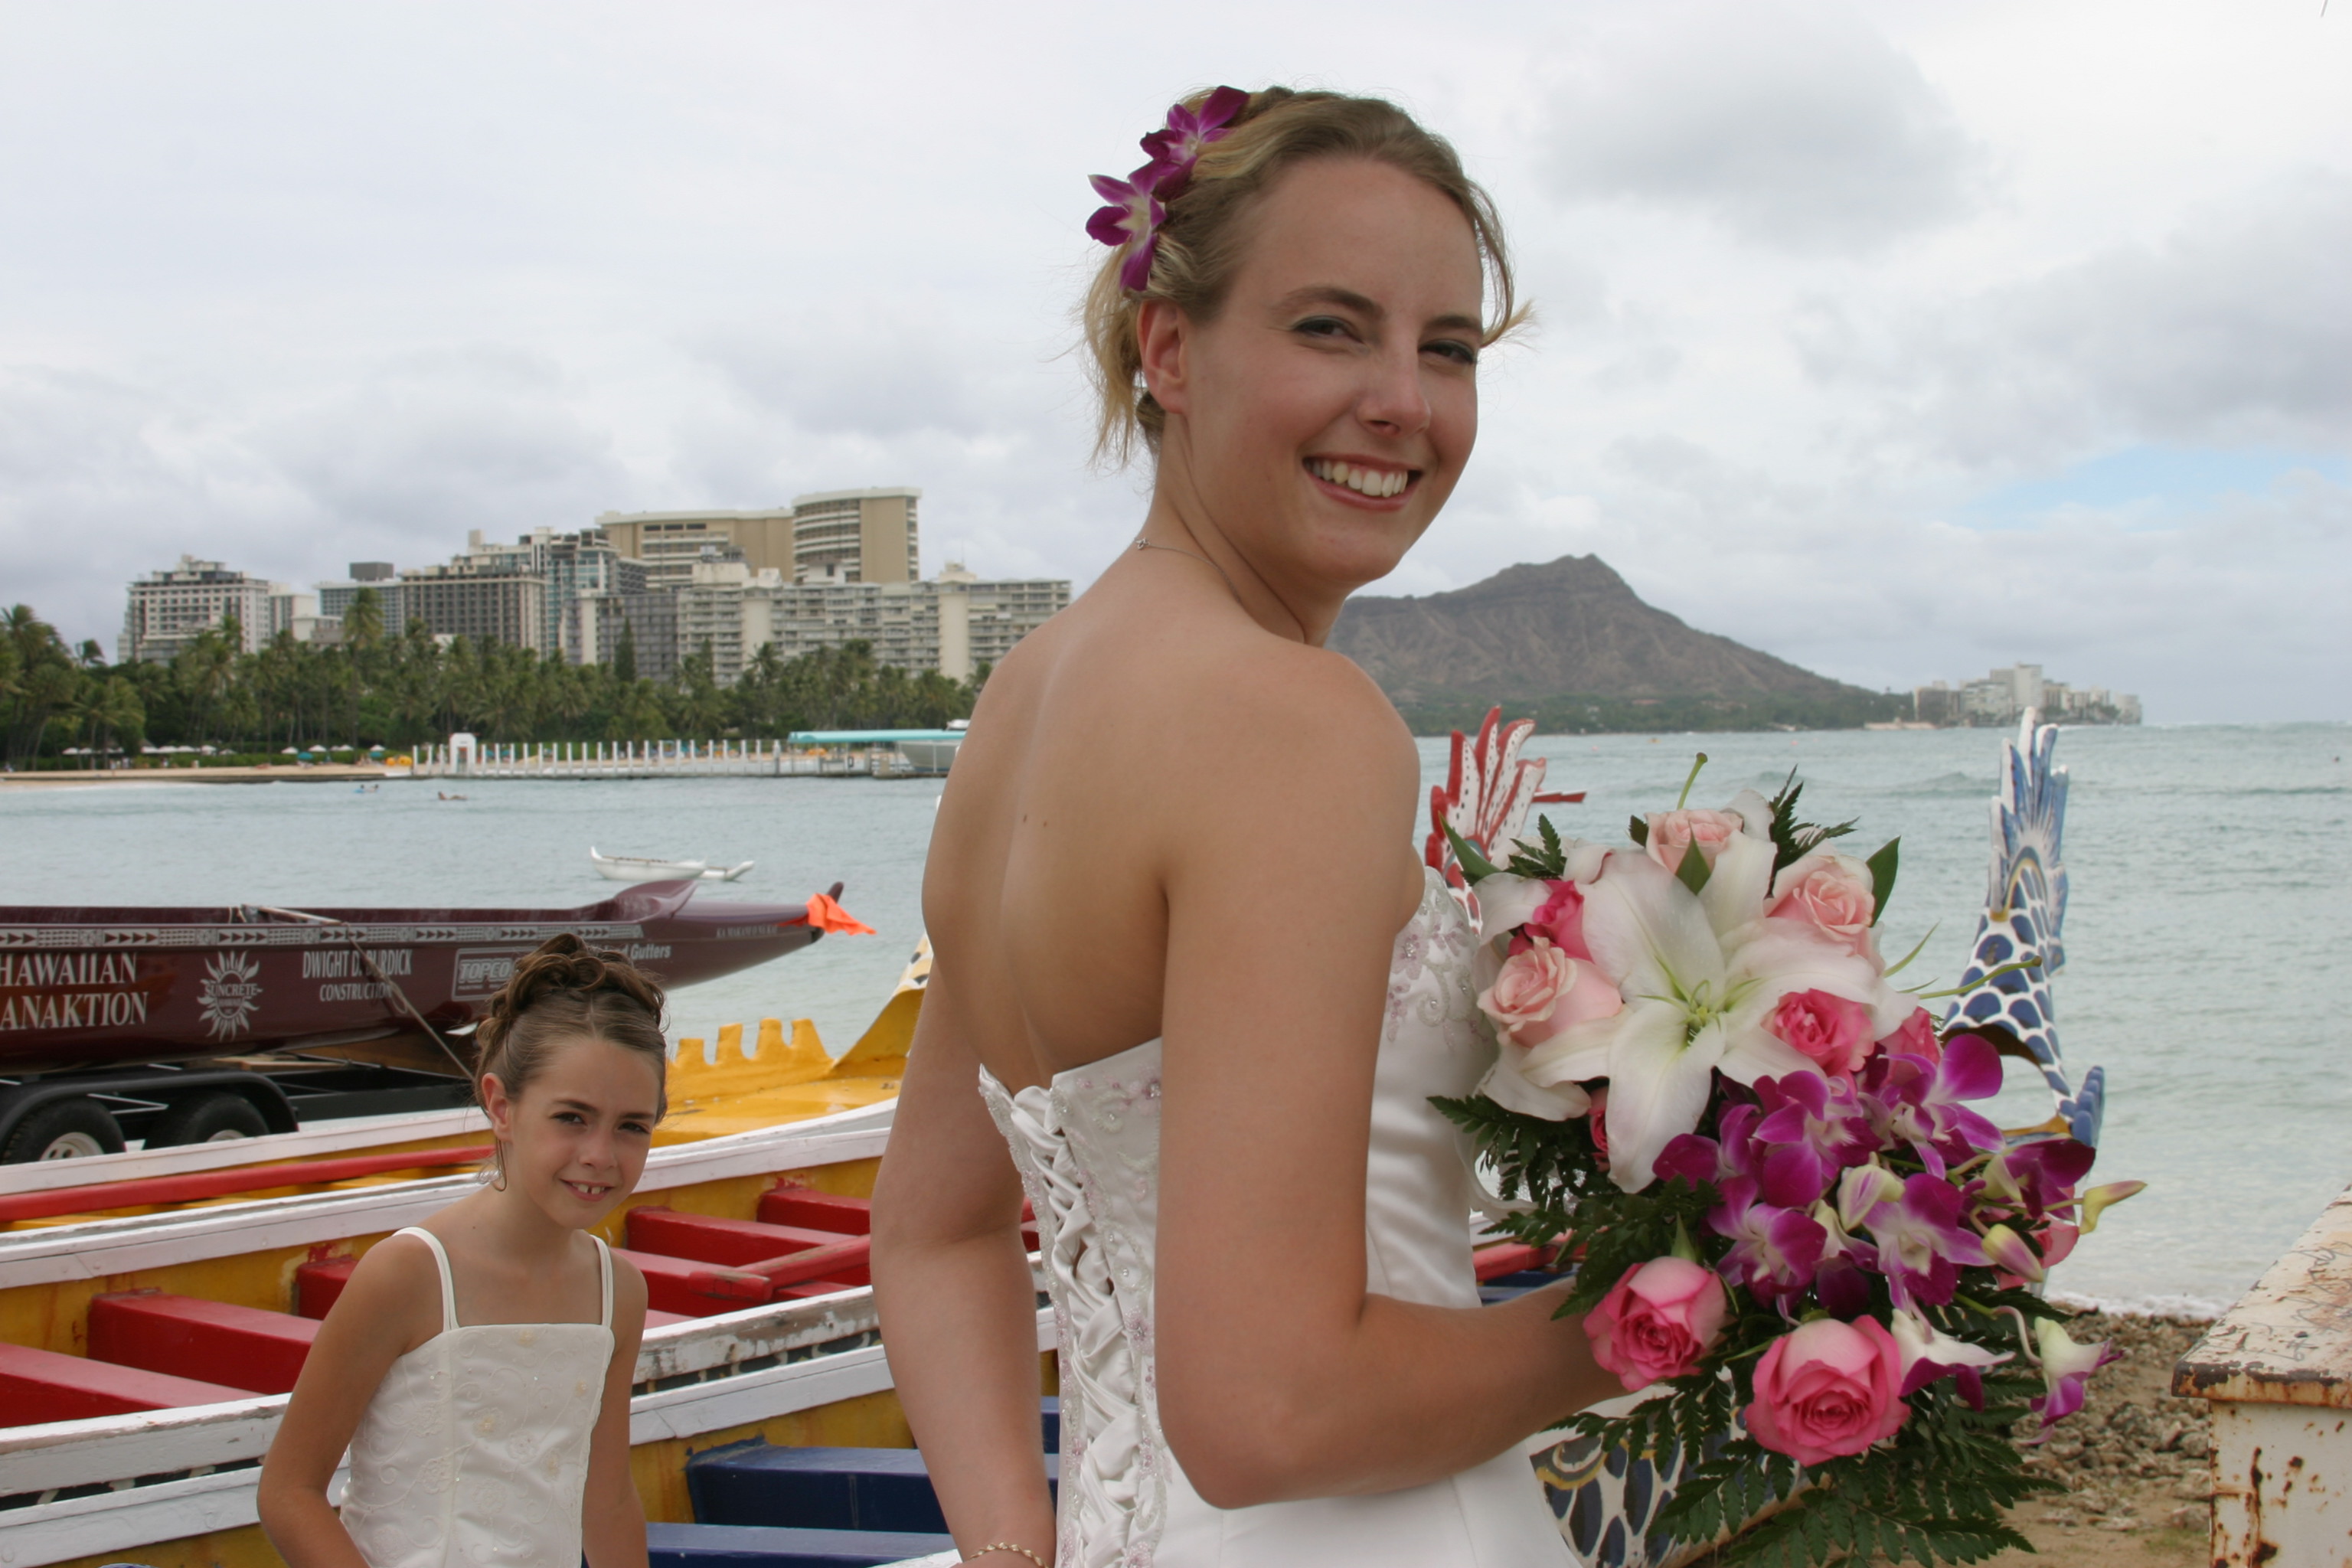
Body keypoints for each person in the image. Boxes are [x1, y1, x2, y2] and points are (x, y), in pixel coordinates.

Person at [871, 86, 1615, 1568]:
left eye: (1448, 347)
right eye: (1331, 329)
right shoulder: (1292, 719)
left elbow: (933, 1227)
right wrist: (1684, 1311)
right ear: (1168, 350)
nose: (1403, 400)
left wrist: (1014, 1544)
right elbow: (1272, 1410)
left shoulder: (1025, 702)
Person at [259, 934, 658, 1568]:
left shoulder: (619, 1292)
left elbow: (606, 1500)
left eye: (632, 1126)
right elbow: (289, 1492)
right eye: (571, 1117)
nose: (600, 1156)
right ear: (501, 1106)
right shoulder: (410, 1274)